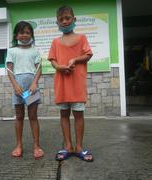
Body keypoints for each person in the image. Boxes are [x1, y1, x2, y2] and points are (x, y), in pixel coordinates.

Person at [48, 5, 93, 162]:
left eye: (67, 18)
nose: (65, 21)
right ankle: (68, 146)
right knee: (64, 115)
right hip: (62, 85)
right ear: (57, 23)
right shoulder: (55, 42)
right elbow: (53, 61)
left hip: (77, 85)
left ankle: (79, 147)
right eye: (61, 19)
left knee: (79, 115)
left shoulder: (82, 38)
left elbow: (88, 55)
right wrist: (60, 67)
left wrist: (74, 59)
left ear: (74, 20)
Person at [6, 21, 44, 159]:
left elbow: (39, 68)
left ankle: (36, 146)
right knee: (19, 117)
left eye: (28, 32)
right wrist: (15, 85)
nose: (25, 35)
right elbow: (9, 69)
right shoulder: (12, 51)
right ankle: (19, 145)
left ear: (31, 35)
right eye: (22, 32)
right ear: (16, 35)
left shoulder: (35, 51)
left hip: (32, 89)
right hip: (18, 89)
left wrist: (34, 83)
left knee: (33, 117)